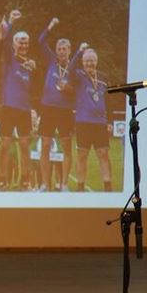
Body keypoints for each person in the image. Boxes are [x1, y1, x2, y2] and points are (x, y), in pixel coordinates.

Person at [37, 17, 79, 191]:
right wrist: (51, 25)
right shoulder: (51, 61)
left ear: (69, 51)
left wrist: (68, 88)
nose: (62, 52)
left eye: (64, 49)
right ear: (56, 51)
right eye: (59, 49)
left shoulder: (74, 69)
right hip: (48, 109)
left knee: (66, 147)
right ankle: (45, 184)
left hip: (65, 111)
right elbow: (40, 41)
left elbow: (76, 92)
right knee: (45, 146)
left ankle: (64, 184)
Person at [0, 10, 36, 190]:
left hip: (24, 110)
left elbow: (34, 89)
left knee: (25, 145)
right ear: (14, 44)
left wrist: (34, 109)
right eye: (20, 41)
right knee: (5, 145)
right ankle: (2, 179)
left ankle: (25, 180)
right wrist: (11, 22)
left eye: (26, 41)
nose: (23, 44)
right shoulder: (10, 58)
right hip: (9, 107)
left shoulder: (31, 64)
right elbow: (4, 41)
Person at [71, 46, 114, 192]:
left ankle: (107, 186)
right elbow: (69, 70)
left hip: (100, 123)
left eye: (92, 60)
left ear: (96, 61)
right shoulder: (78, 75)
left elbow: (109, 100)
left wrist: (110, 121)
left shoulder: (103, 77)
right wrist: (78, 52)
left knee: (103, 154)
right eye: (87, 61)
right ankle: (80, 187)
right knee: (82, 155)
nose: (89, 63)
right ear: (83, 62)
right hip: (83, 122)